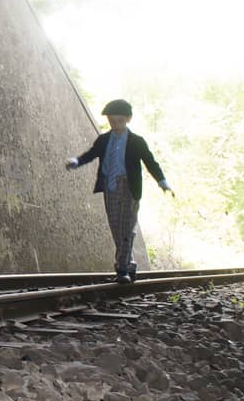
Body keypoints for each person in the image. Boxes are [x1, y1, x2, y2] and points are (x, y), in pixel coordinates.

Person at [66, 99, 173, 283]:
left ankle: (122, 269)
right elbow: (90, 155)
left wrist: (162, 182)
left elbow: (150, 162)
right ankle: (129, 265)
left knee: (128, 226)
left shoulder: (136, 141)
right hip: (110, 186)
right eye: (112, 121)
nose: (115, 125)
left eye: (119, 121)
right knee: (117, 228)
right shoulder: (104, 140)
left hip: (129, 187)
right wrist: (76, 162)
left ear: (128, 119)